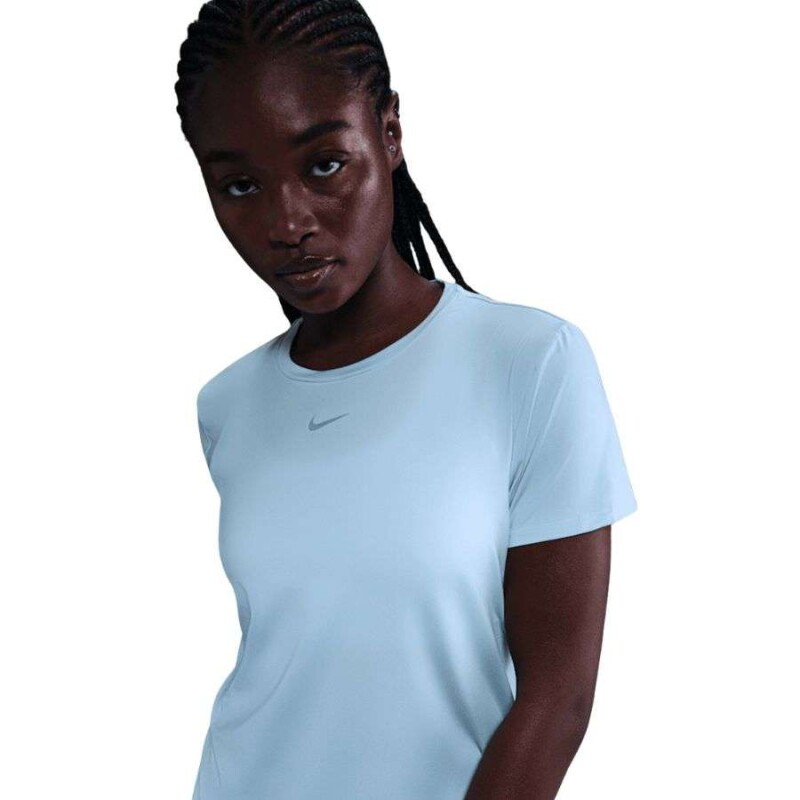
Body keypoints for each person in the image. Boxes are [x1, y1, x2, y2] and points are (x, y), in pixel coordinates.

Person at [175, 2, 638, 798]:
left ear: (388, 131)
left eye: (324, 165)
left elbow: (557, 699)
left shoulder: (530, 364)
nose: (287, 221)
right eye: (241, 185)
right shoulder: (229, 405)